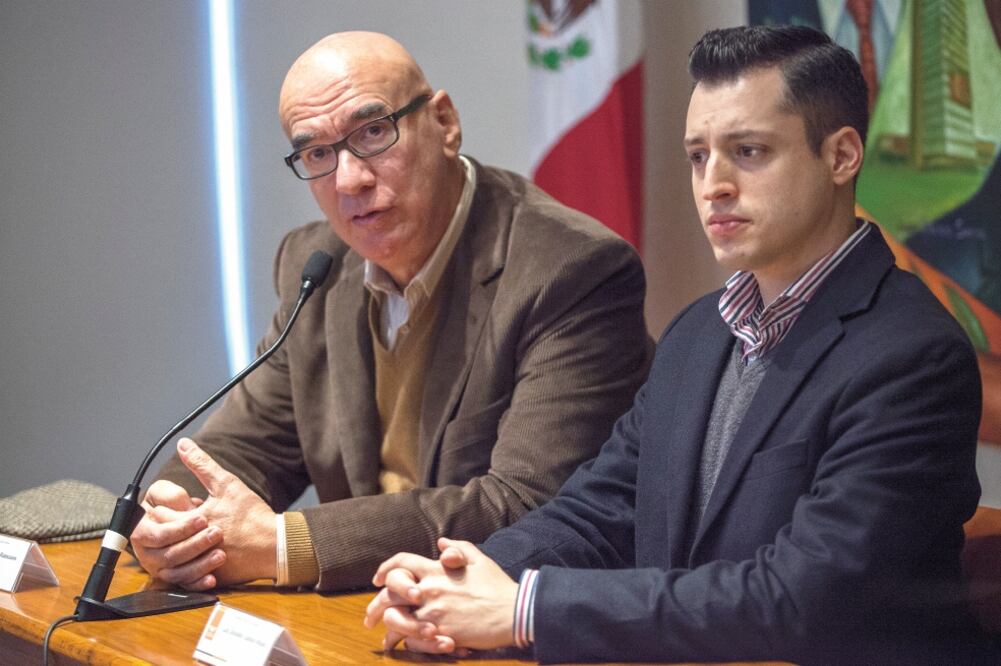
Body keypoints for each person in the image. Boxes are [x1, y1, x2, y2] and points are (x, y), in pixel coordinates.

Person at [365, 25, 997, 664]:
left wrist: (527, 609)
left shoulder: (913, 354)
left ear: (840, 157)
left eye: (748, 151)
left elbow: (801, 599)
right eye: (699, 156)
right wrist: (459, 581)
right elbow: (602, 510)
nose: (713, 184)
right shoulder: (698, 331)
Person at [129, 31, 650, 593]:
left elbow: (530, 505)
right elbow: (240, 450)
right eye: (317, 153)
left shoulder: (571, 269)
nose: (350, 179)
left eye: (373, 132)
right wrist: (176, 521)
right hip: (360, 612)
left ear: (445, 124)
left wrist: (285, 545)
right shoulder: (315, 265)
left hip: (505, 620)